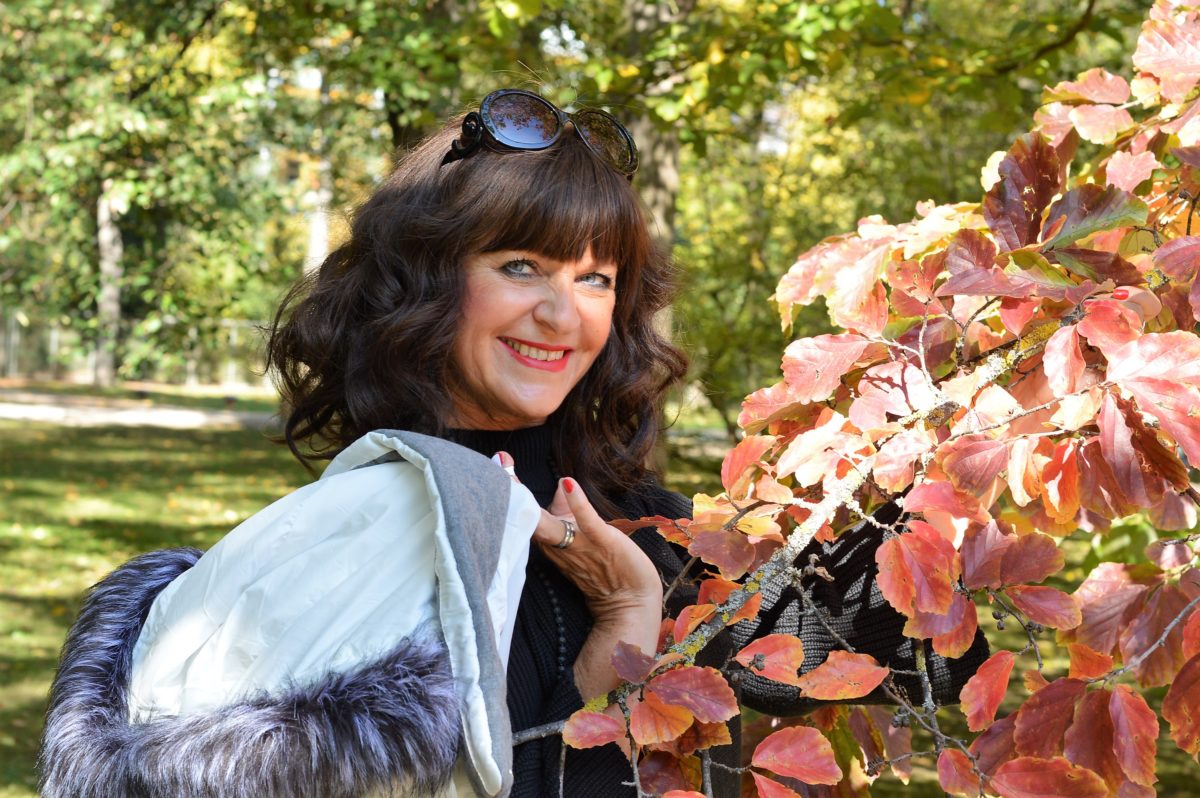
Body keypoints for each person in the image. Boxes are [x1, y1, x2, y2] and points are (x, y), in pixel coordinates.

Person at [40, 90, 986, 798]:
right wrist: (620, 631)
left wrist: (938, 444)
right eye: (521, 265)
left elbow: (940, 656)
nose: (562, 313)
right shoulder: (364, 534)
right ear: (424, 281)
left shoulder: (647, 525)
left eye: (595, 277)